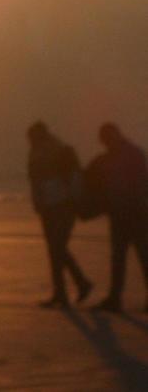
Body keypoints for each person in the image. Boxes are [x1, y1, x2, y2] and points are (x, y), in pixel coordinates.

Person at [25, 122, 91, 307]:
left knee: (56, 248)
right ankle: (73, 286)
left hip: (62, 206)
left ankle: (69, 289)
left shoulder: (61, 151)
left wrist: (73, 201)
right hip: (49, 207)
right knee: (56, 249)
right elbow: (35, 181)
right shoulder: (40, 153)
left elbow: (74, 178)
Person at [86, 123, 148, 312]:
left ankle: (115, 298)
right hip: (122, 213)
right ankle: (114, 298)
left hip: (135, 214)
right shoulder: (113, 157)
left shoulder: (131, 155)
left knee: (140, 256)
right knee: (122, 257)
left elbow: (140, 184)